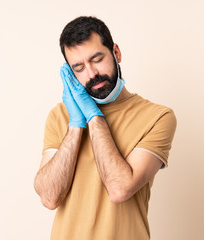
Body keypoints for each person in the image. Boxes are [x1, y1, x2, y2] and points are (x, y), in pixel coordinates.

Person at [34, 16, 177, 240]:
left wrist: (93, 117)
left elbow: (120, 189)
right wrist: (75, 125)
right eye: (79, 68)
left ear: (116, 53)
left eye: (97, 59)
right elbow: (49, 197)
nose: (91, 74)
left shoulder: (157, 117)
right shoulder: (60, 116)